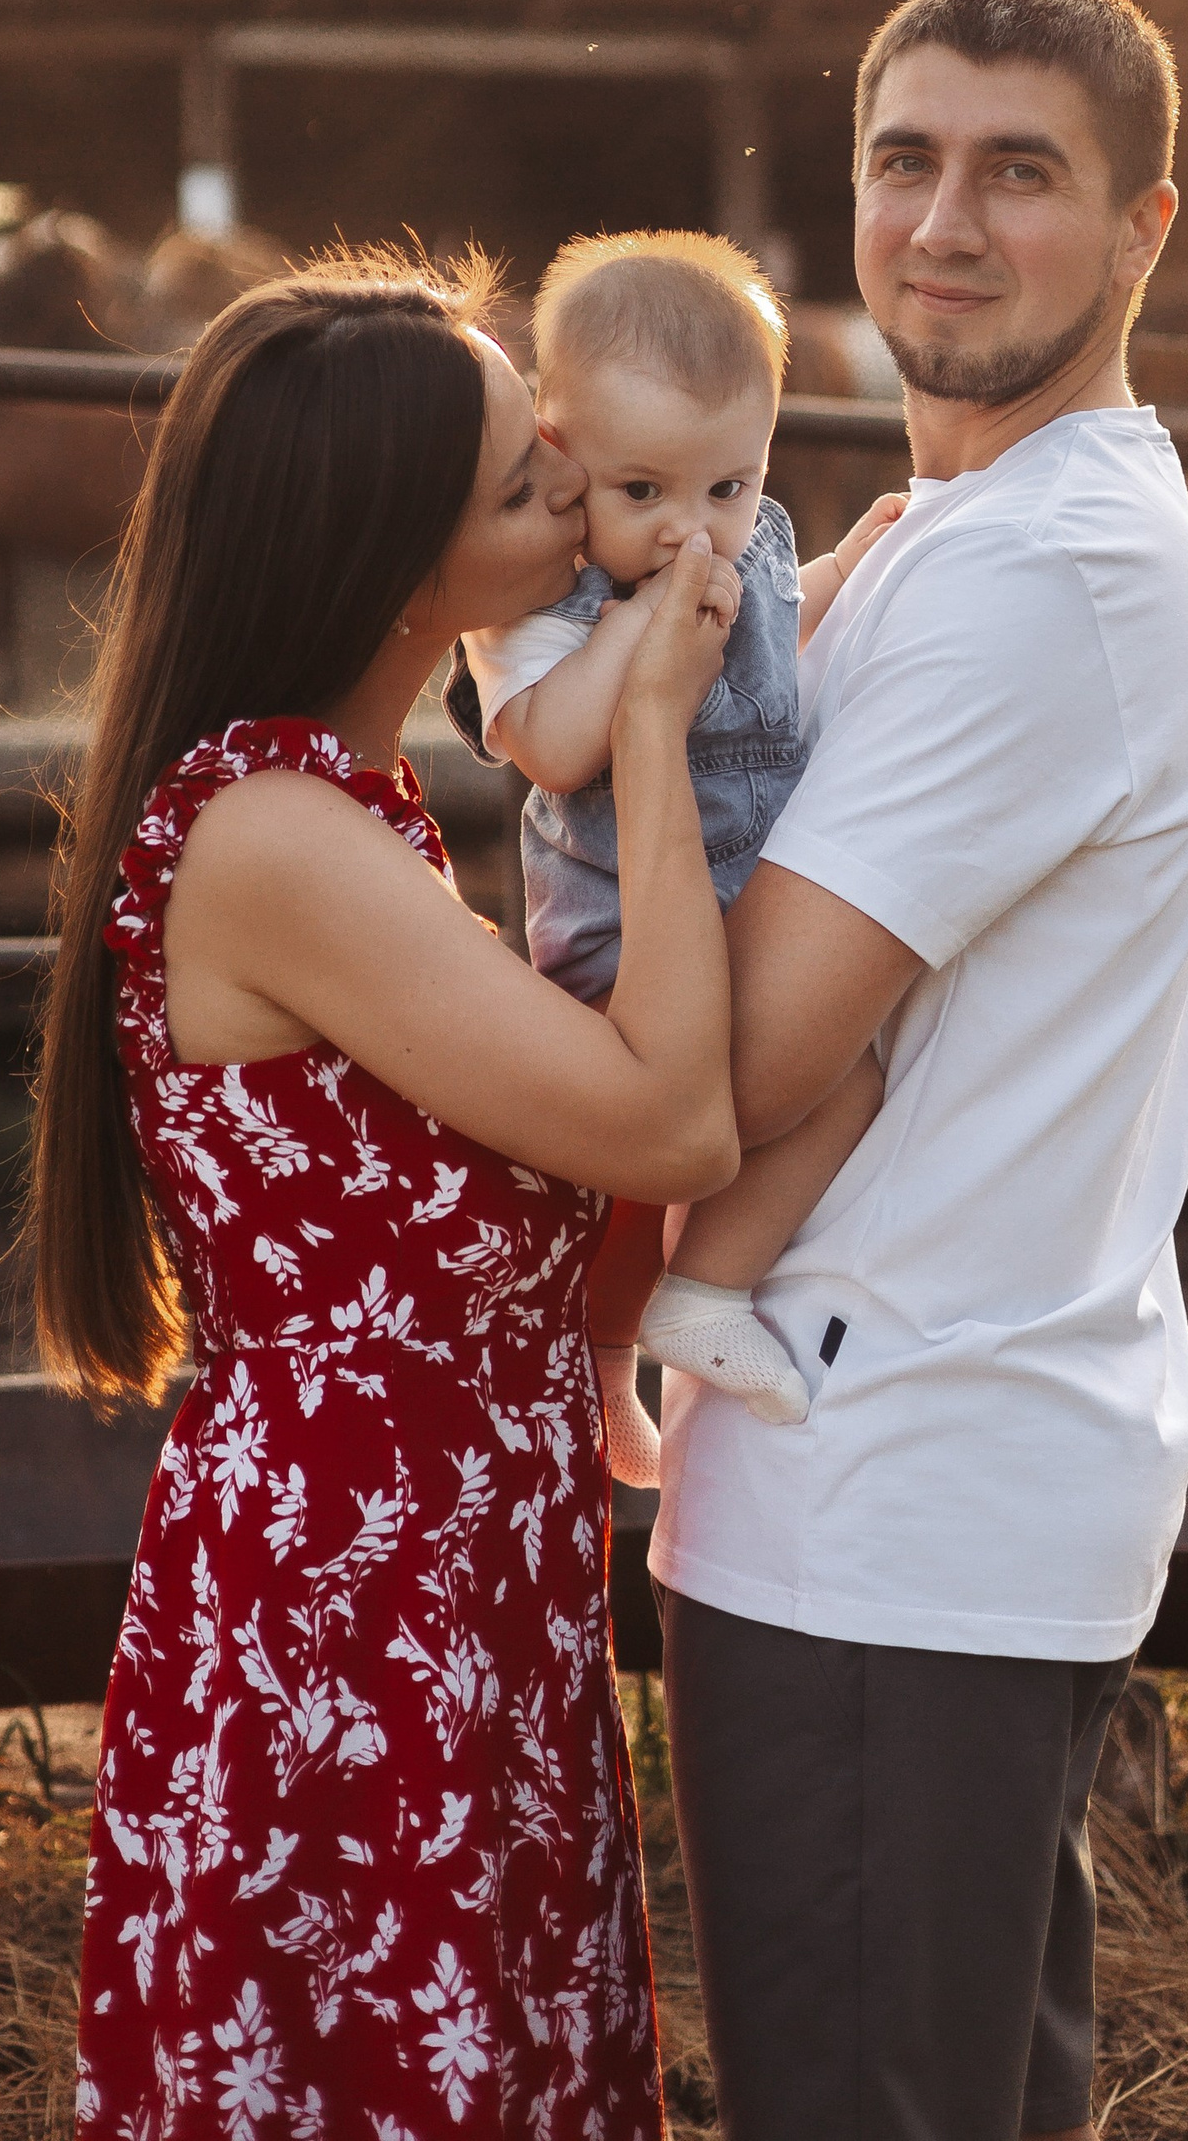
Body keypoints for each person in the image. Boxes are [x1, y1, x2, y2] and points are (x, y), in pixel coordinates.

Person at [27, 252, 742, 2141]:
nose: (580, 488)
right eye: (530, 479)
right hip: (360, 1597)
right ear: (398, 564)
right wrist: (655, 731)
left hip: (449, 1564)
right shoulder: (276, 840)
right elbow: (666, 1119)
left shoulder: (352, 807)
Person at [653, 0, 1188, 2141]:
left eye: (1022, 171)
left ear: (1142, 226)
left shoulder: (1035, 573)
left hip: (890, 1474)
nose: (945, 221)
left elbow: (725, 1052)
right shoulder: (954, 539)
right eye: (903, 158)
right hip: (936, 1460)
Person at [444, 228, 904, 1484]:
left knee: (846, 1081)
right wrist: (639, 654)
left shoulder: (744, 547)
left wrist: (842, 570)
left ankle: (706, 1291)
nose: (688, 530)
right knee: (625, 1177)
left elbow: (774, 630)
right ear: (558, 447)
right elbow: (542, 745)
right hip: (617, 941)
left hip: (748, 909)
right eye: (640, 491)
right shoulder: (539, 604)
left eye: (727, 486)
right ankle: (604, 1363)